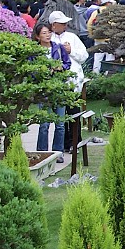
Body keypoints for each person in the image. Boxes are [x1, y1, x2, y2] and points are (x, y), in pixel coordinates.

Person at [48, 10, 89, 152]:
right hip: (56, 83)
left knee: (73, 112)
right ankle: (62, 143)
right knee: (60, 116)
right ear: (54, 25)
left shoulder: (72, 37)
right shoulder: (48, 38)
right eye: (61, 23)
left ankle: (75, 142)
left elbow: (84, 56)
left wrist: (71, 51)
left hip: (72, 81)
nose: (65, 25)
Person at [32, 23, 71, 161]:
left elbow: (67, 63)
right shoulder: (34, 51)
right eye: (43, 33)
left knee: (60, 124)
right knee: (44, 124)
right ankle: (42, 153)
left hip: (59, 88)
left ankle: (58, 153)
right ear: (37, 36)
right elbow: (30, 70)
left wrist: (60, 68)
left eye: (48, 32)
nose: (47, 35)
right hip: (43, 90)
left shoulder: (58, 48)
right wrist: (42, 71)